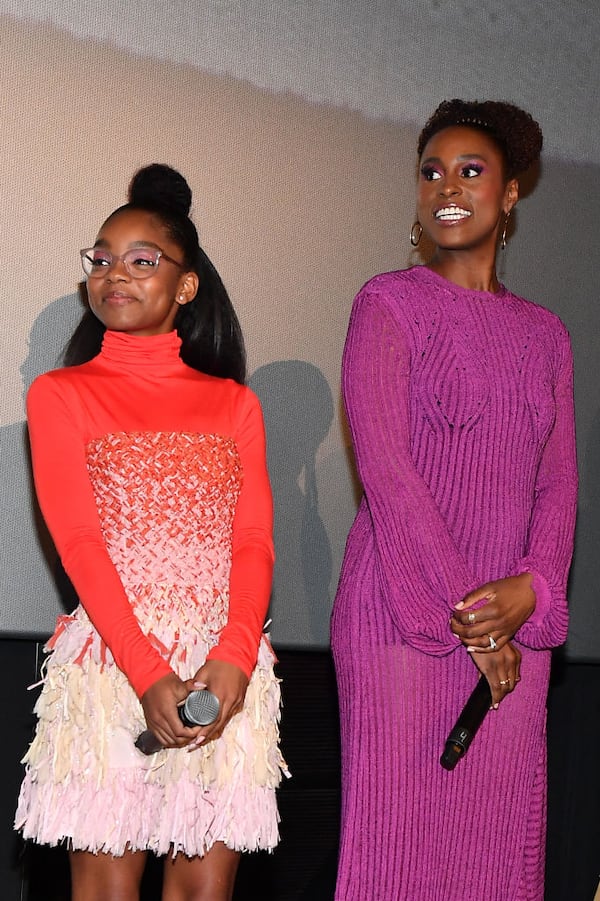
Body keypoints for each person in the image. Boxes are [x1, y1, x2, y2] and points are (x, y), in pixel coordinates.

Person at [15, 164, 287, 900]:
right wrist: (145, 670)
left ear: (186, 285)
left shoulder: (234, 404)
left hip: (223, 667)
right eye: (100, 258)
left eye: (141, 260)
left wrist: (233, 657)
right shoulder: (59, 394)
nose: (113, 274)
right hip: (111, 662)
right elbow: (77, 541)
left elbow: (254, 539)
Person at [331, 100, 577, 900]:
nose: (447, 186)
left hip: (515, 630)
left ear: (510, 195)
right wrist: (474, 619)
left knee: (496, 858)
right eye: (431, 170)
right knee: (396, 853)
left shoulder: (546, 334)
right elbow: (389, 473)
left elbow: (560, 485)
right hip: (403, 625)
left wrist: (533, 591)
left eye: (471, 171)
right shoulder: (388, 304)